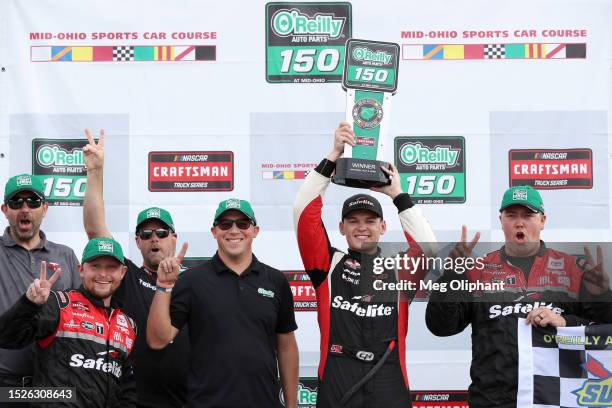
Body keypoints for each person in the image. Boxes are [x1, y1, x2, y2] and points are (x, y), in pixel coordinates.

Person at [425, 185, 612, 408]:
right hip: (492, 400)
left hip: (554, 397)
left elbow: (603, 333)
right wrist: (451, 276)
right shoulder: (477, 269)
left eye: (528, 215)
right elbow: (441, 327)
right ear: (501, 220)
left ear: (543, 220)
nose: (519, 223)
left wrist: (573, 316)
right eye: (511, 215)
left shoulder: (571, 269)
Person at [293, 122, 438, 408]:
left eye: (370, 220)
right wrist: (332, 156)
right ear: (342, 227)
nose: (362, 228)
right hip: (338, 376)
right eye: (354, 221)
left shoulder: (400, 270)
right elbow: (303, 213)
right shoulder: (327, 264)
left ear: (383, 226)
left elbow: (429, 249)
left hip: (388, 376)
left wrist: (398, 195)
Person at [147, 198, 299, 408]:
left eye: (242, 224)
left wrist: (292, 405)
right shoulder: (192, 281)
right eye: (225, 224)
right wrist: (163, 285)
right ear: (214, 231)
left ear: (255, 230)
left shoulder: (276, 281)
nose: (234, 230)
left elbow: (287, 347)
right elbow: (158, 340)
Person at [82, 129, 189, 408]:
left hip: (189, 400)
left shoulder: (196, 282)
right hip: (132, 399)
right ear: (137, 242)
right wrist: (95, 172)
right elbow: (96, 231)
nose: (155, 238)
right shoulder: (127, 275)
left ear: (174, 238)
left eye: (162, 232)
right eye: (146, 233)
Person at [0, 237, 136, 408]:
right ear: (81, 270)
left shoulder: (128, 325)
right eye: (95, 266)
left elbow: (127, 390)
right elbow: (6, 338)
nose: (103, 274)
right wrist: (29, 304)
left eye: (111, 267)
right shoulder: (59, 303)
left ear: (122, 272)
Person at [0, 173, 81, 397]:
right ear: (5, 210)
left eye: (33, 202)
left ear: (44, 209)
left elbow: (82, 315)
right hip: (5, 385)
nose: (25, 208)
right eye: (16, 202)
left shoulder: (65, 255)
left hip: (57, 384)